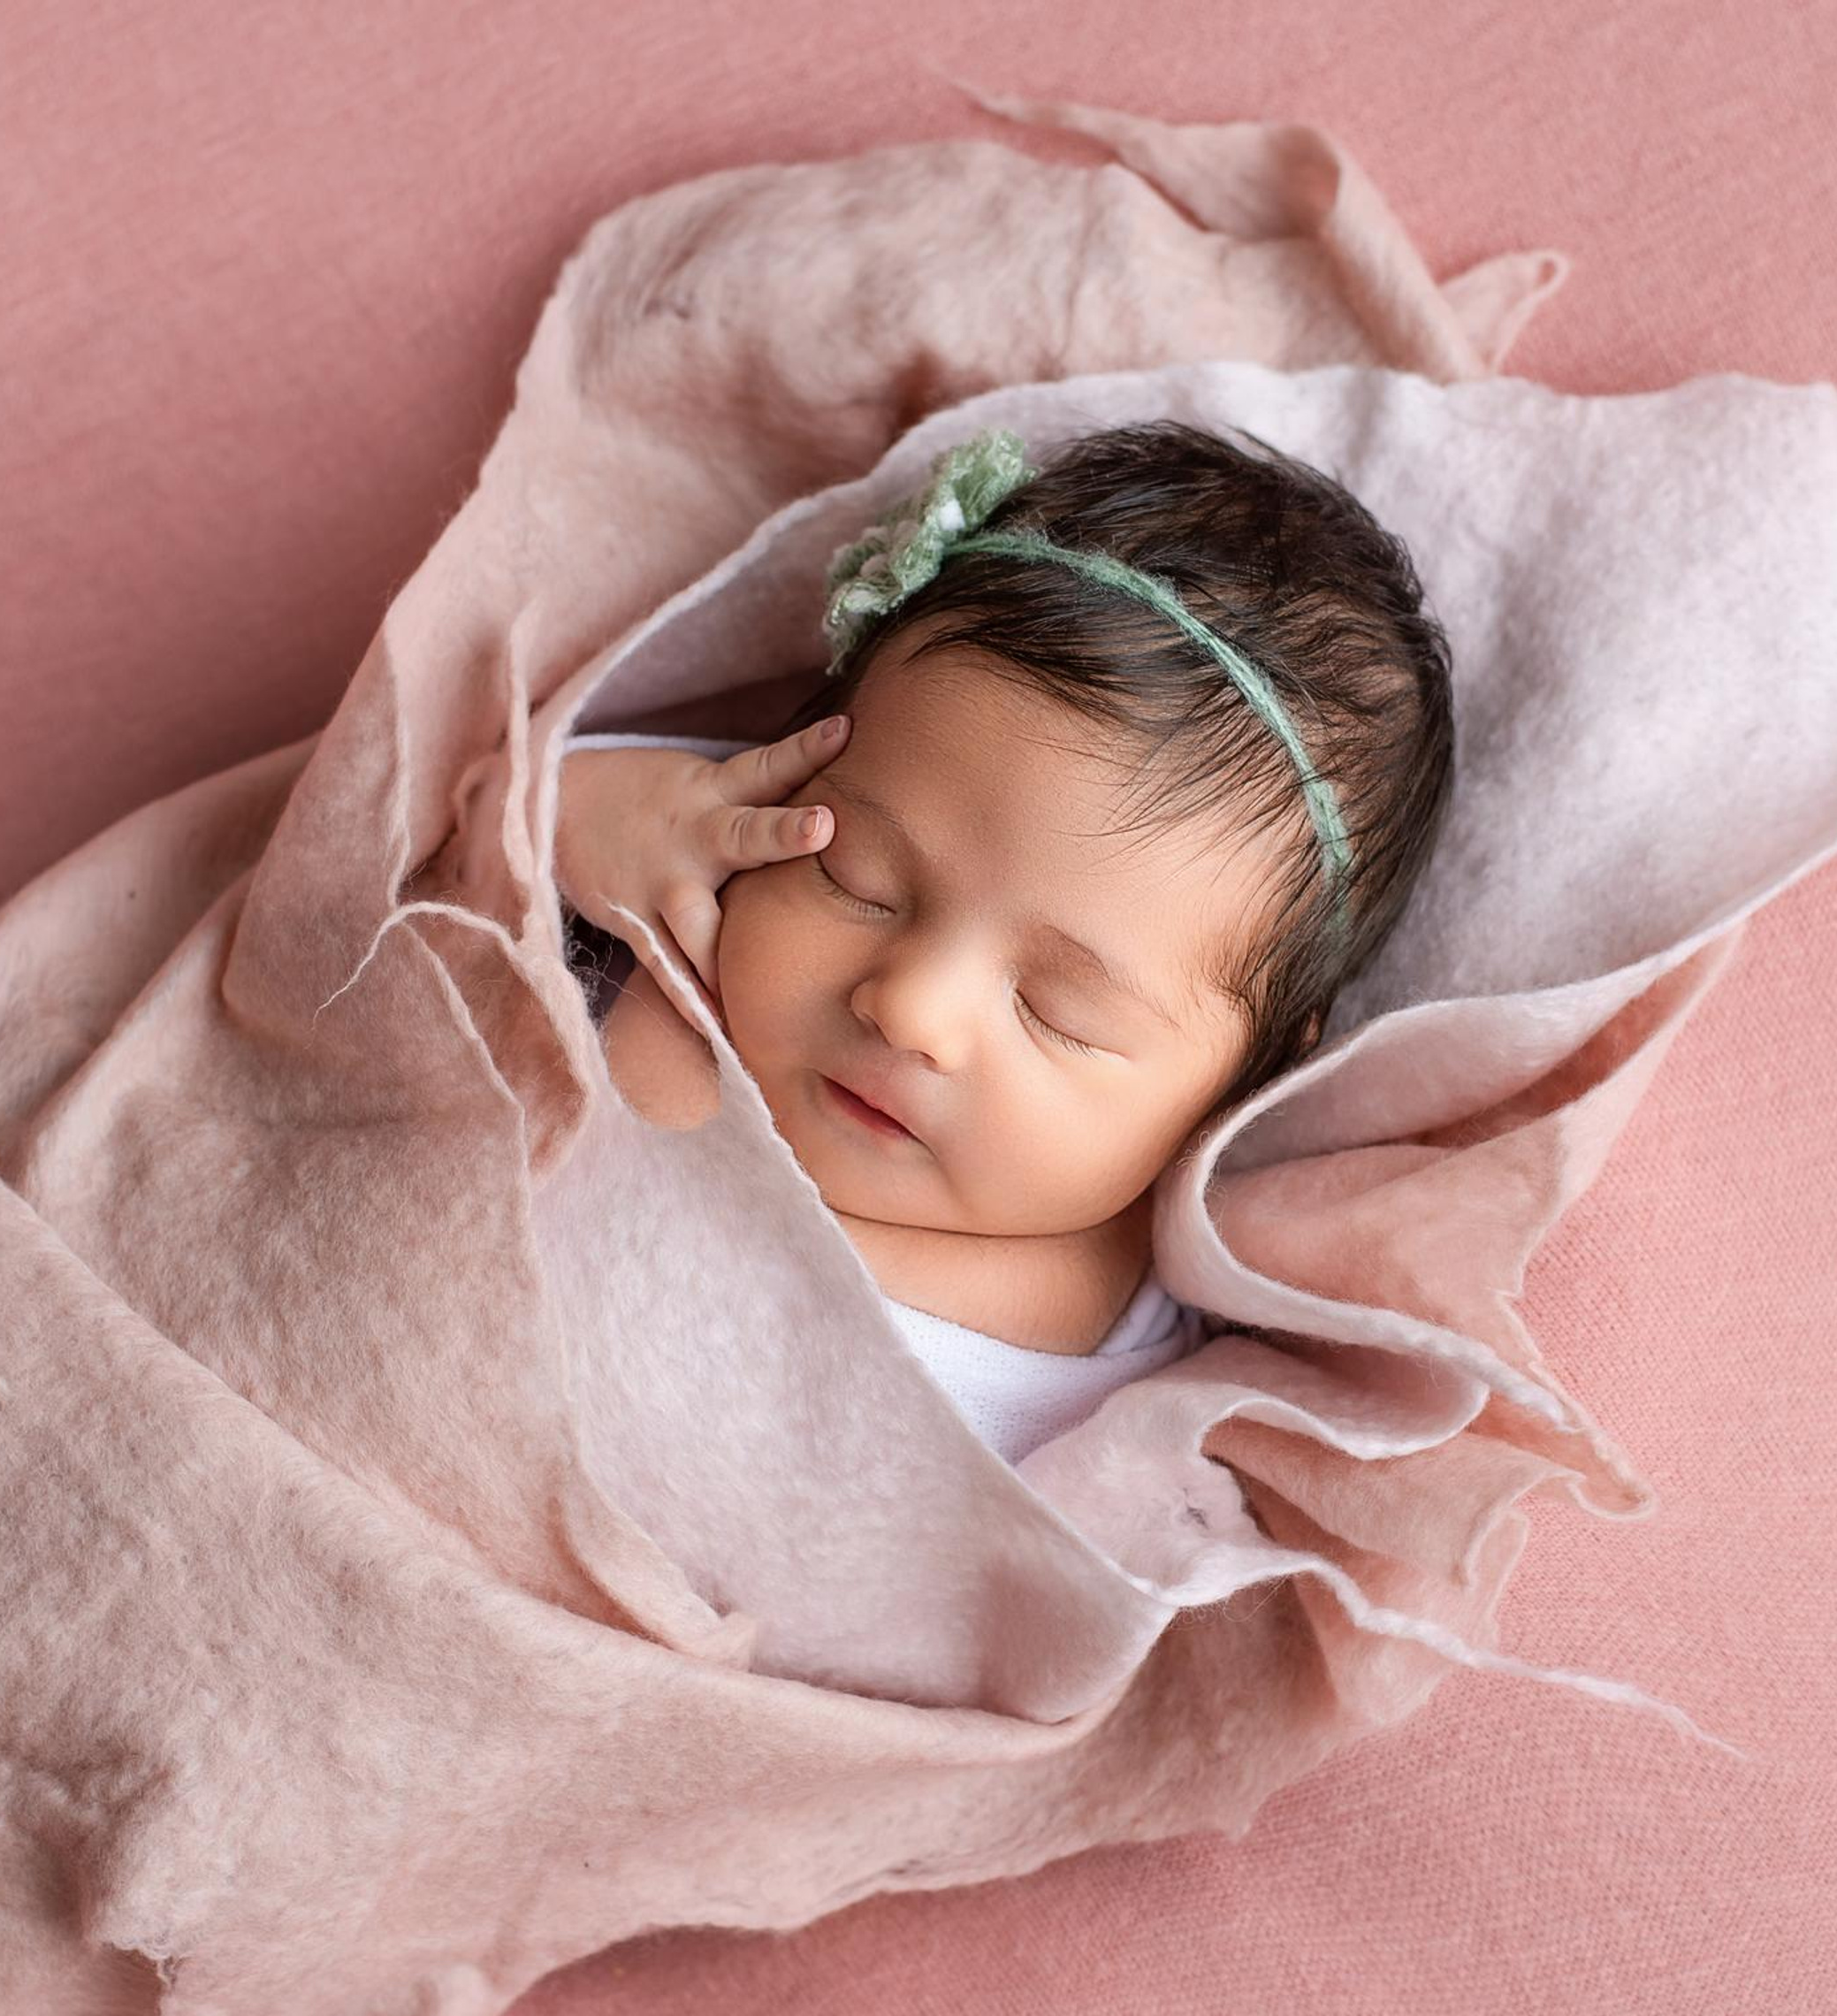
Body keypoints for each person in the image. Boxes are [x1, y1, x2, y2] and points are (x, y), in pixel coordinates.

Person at [553, 418, 1456, 1462]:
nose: (912, 1009)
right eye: (856, 879)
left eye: (1057, 1014)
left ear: (1242, 1085)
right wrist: (582, 807)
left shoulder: (1122, 1380)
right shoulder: (667, 923)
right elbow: (429, 829)